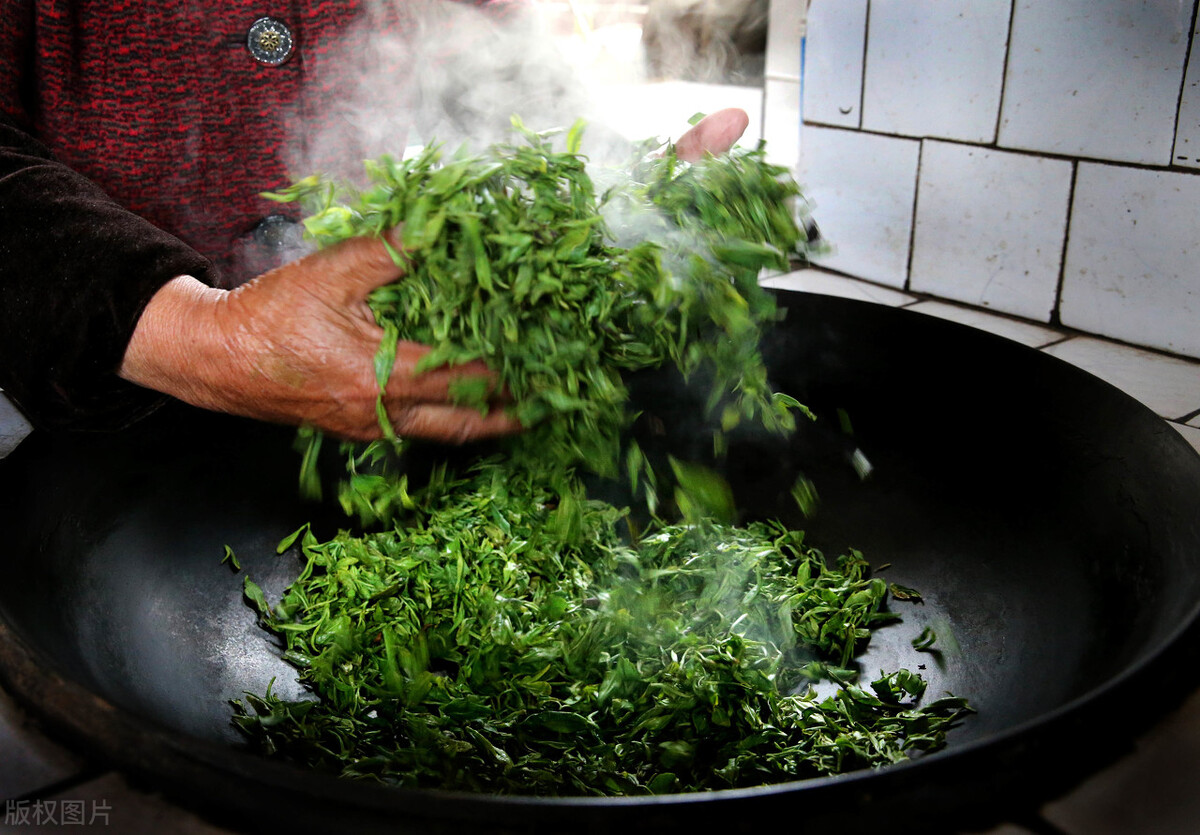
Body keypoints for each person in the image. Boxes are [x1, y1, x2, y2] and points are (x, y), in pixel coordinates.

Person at [0, 1, 748, 445]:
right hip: (106, 444)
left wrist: (600, 182)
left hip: (410, 396)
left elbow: (474, 56)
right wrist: (208, 334)